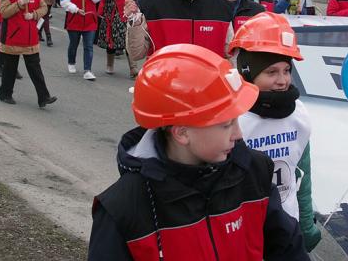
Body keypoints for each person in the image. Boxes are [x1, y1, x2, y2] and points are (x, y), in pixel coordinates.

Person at [88, 43, 309, 261]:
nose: (238, 134)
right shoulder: (123, 208)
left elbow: (288, 248)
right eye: (226, 124)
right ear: (182, 133)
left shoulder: (252, 171)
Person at [229, 13, 321, 253]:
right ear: (247, 72)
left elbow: (302, 174)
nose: (282, 81)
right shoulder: (229, 118)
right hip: (240, 233)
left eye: (286, 70)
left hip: (284, 231)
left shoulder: (297, 114)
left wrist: (306, 225)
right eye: (271, 72)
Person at [125, 0, 233, 61]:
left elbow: (229, 55)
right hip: (164, 78)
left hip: (209, 79)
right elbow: (136, 54)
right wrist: (134, 23)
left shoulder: (222, 7)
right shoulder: (152, 5)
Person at [0, 0, 57, 109]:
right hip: (13, 36)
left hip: (31, 37)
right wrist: (19, 4)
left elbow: (44, 8)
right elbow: (4, 13)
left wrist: (34, 15)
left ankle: (43, 97)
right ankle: (5, 94)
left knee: (35, 69)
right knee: (10, 69)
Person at [61, 0, 102, 81]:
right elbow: (63, 1)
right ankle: (71, 62)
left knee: (88, 46)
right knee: (73, 44)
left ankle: (87, 70)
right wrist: (76, 9)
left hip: (90, 21)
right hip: (75, 20)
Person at [97, 0, 138, 77]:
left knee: (130, 40)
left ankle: (133, 68)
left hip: (128, 13)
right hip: (113, 14)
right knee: (112, 41)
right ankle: (110, 64)